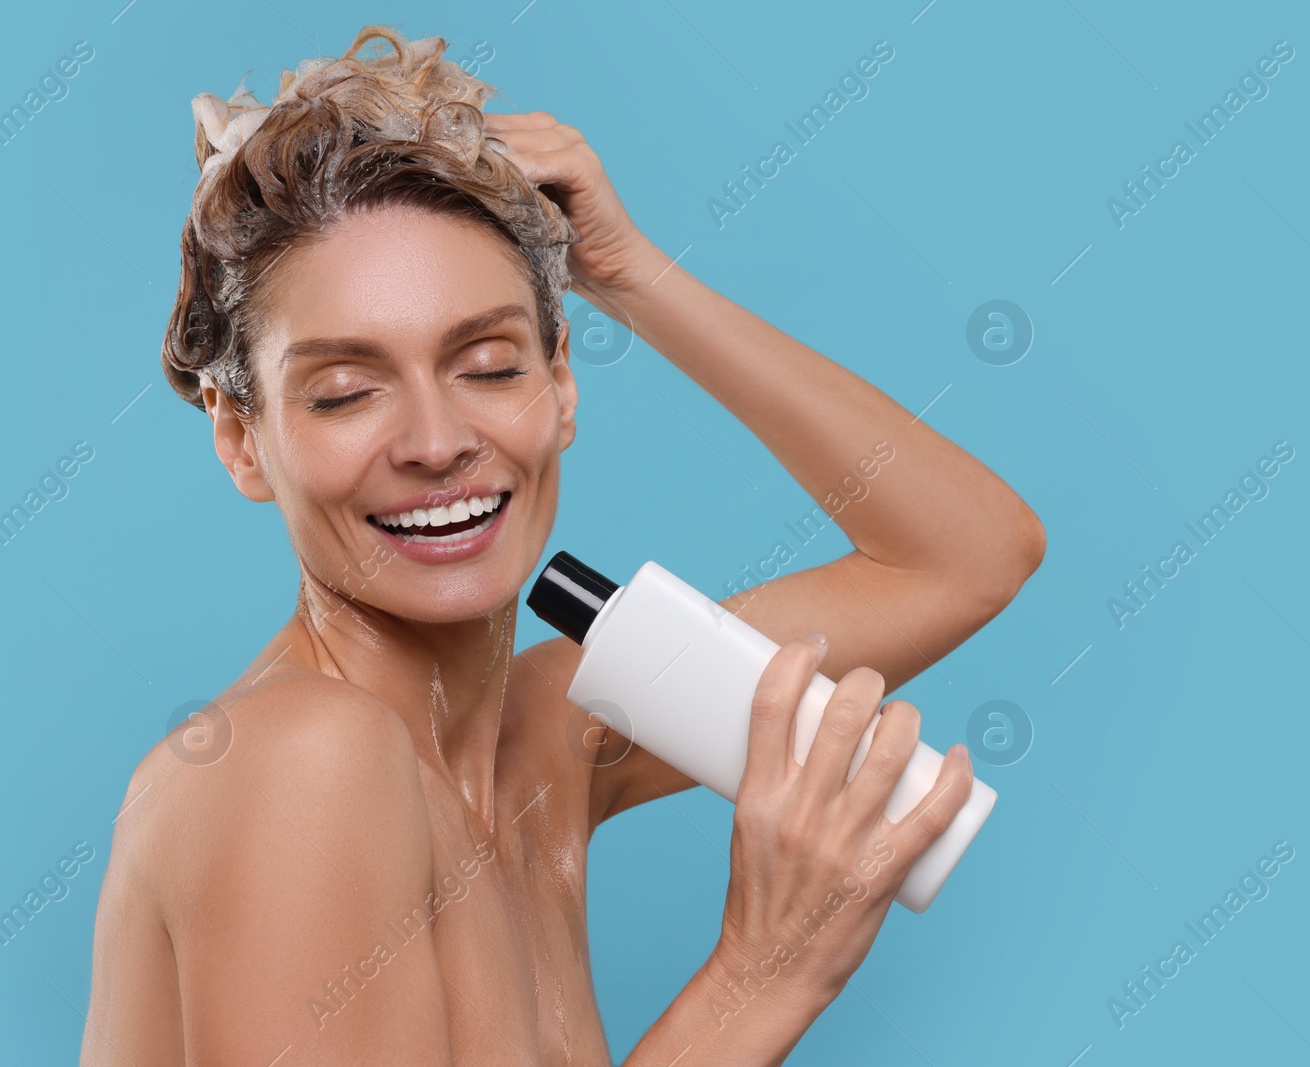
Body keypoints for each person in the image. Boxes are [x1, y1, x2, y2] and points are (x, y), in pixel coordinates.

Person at [80, 24, 1045, 1066]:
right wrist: (761, 976)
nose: (438, 442)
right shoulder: (301, 762)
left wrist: (629, 274)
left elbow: (966, 552)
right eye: (346, 391)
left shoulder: (546, 742)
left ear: (562, 381)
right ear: (241, 437)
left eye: (490, 365)